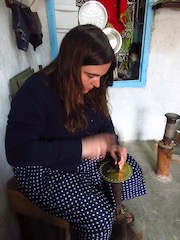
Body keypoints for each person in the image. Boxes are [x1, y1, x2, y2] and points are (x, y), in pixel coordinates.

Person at [5, 24, 147, 239]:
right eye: (91, 75)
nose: (97, 83)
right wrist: (82, 147)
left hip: (78, 156)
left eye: (101, 76)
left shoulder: (91, 88)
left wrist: (114, 144)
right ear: (70, 66)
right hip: (41, 169)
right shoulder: (34, 92)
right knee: (97, 215)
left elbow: (104, 122)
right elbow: (17, 153)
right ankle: (102, 220)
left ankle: (112, 213)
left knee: (130, 173)